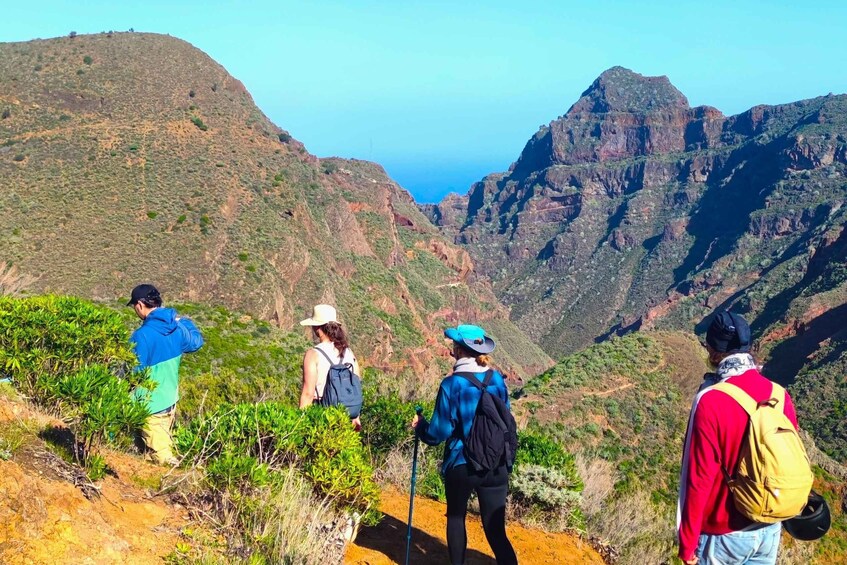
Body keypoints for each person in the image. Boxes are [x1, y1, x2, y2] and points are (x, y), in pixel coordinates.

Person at [677, 311, 799, 564]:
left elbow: (698, 478)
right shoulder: (779, 394)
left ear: (712, 350)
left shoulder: (711, 400)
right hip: (768, 528)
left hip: (723, 533)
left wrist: (687, 543)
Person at [411, 324, 518, 565]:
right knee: (495, 530)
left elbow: (439, 432)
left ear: (459, 350)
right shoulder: (497, 380)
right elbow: (506, 418)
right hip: (496, 464)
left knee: (456, 518)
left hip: (463, 463)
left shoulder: (452, 385)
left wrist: (421, 428)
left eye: (453, 346)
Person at [128, 284, 204, 465]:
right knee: (149, 457)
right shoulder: (176, 328)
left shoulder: (142, 335)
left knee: (164, 461)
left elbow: (131, 373)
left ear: (139, 305)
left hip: (149, 407)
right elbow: (196, 343)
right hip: (170, 401)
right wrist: (184, 322)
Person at [299, 304, 362, 429]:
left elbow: (308, 394)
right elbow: (355, 386)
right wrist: (356, 418)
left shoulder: (313, 354)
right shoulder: (348, 352)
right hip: (346, 417)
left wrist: (299, 424)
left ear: (317, 328)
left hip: (322, 414)